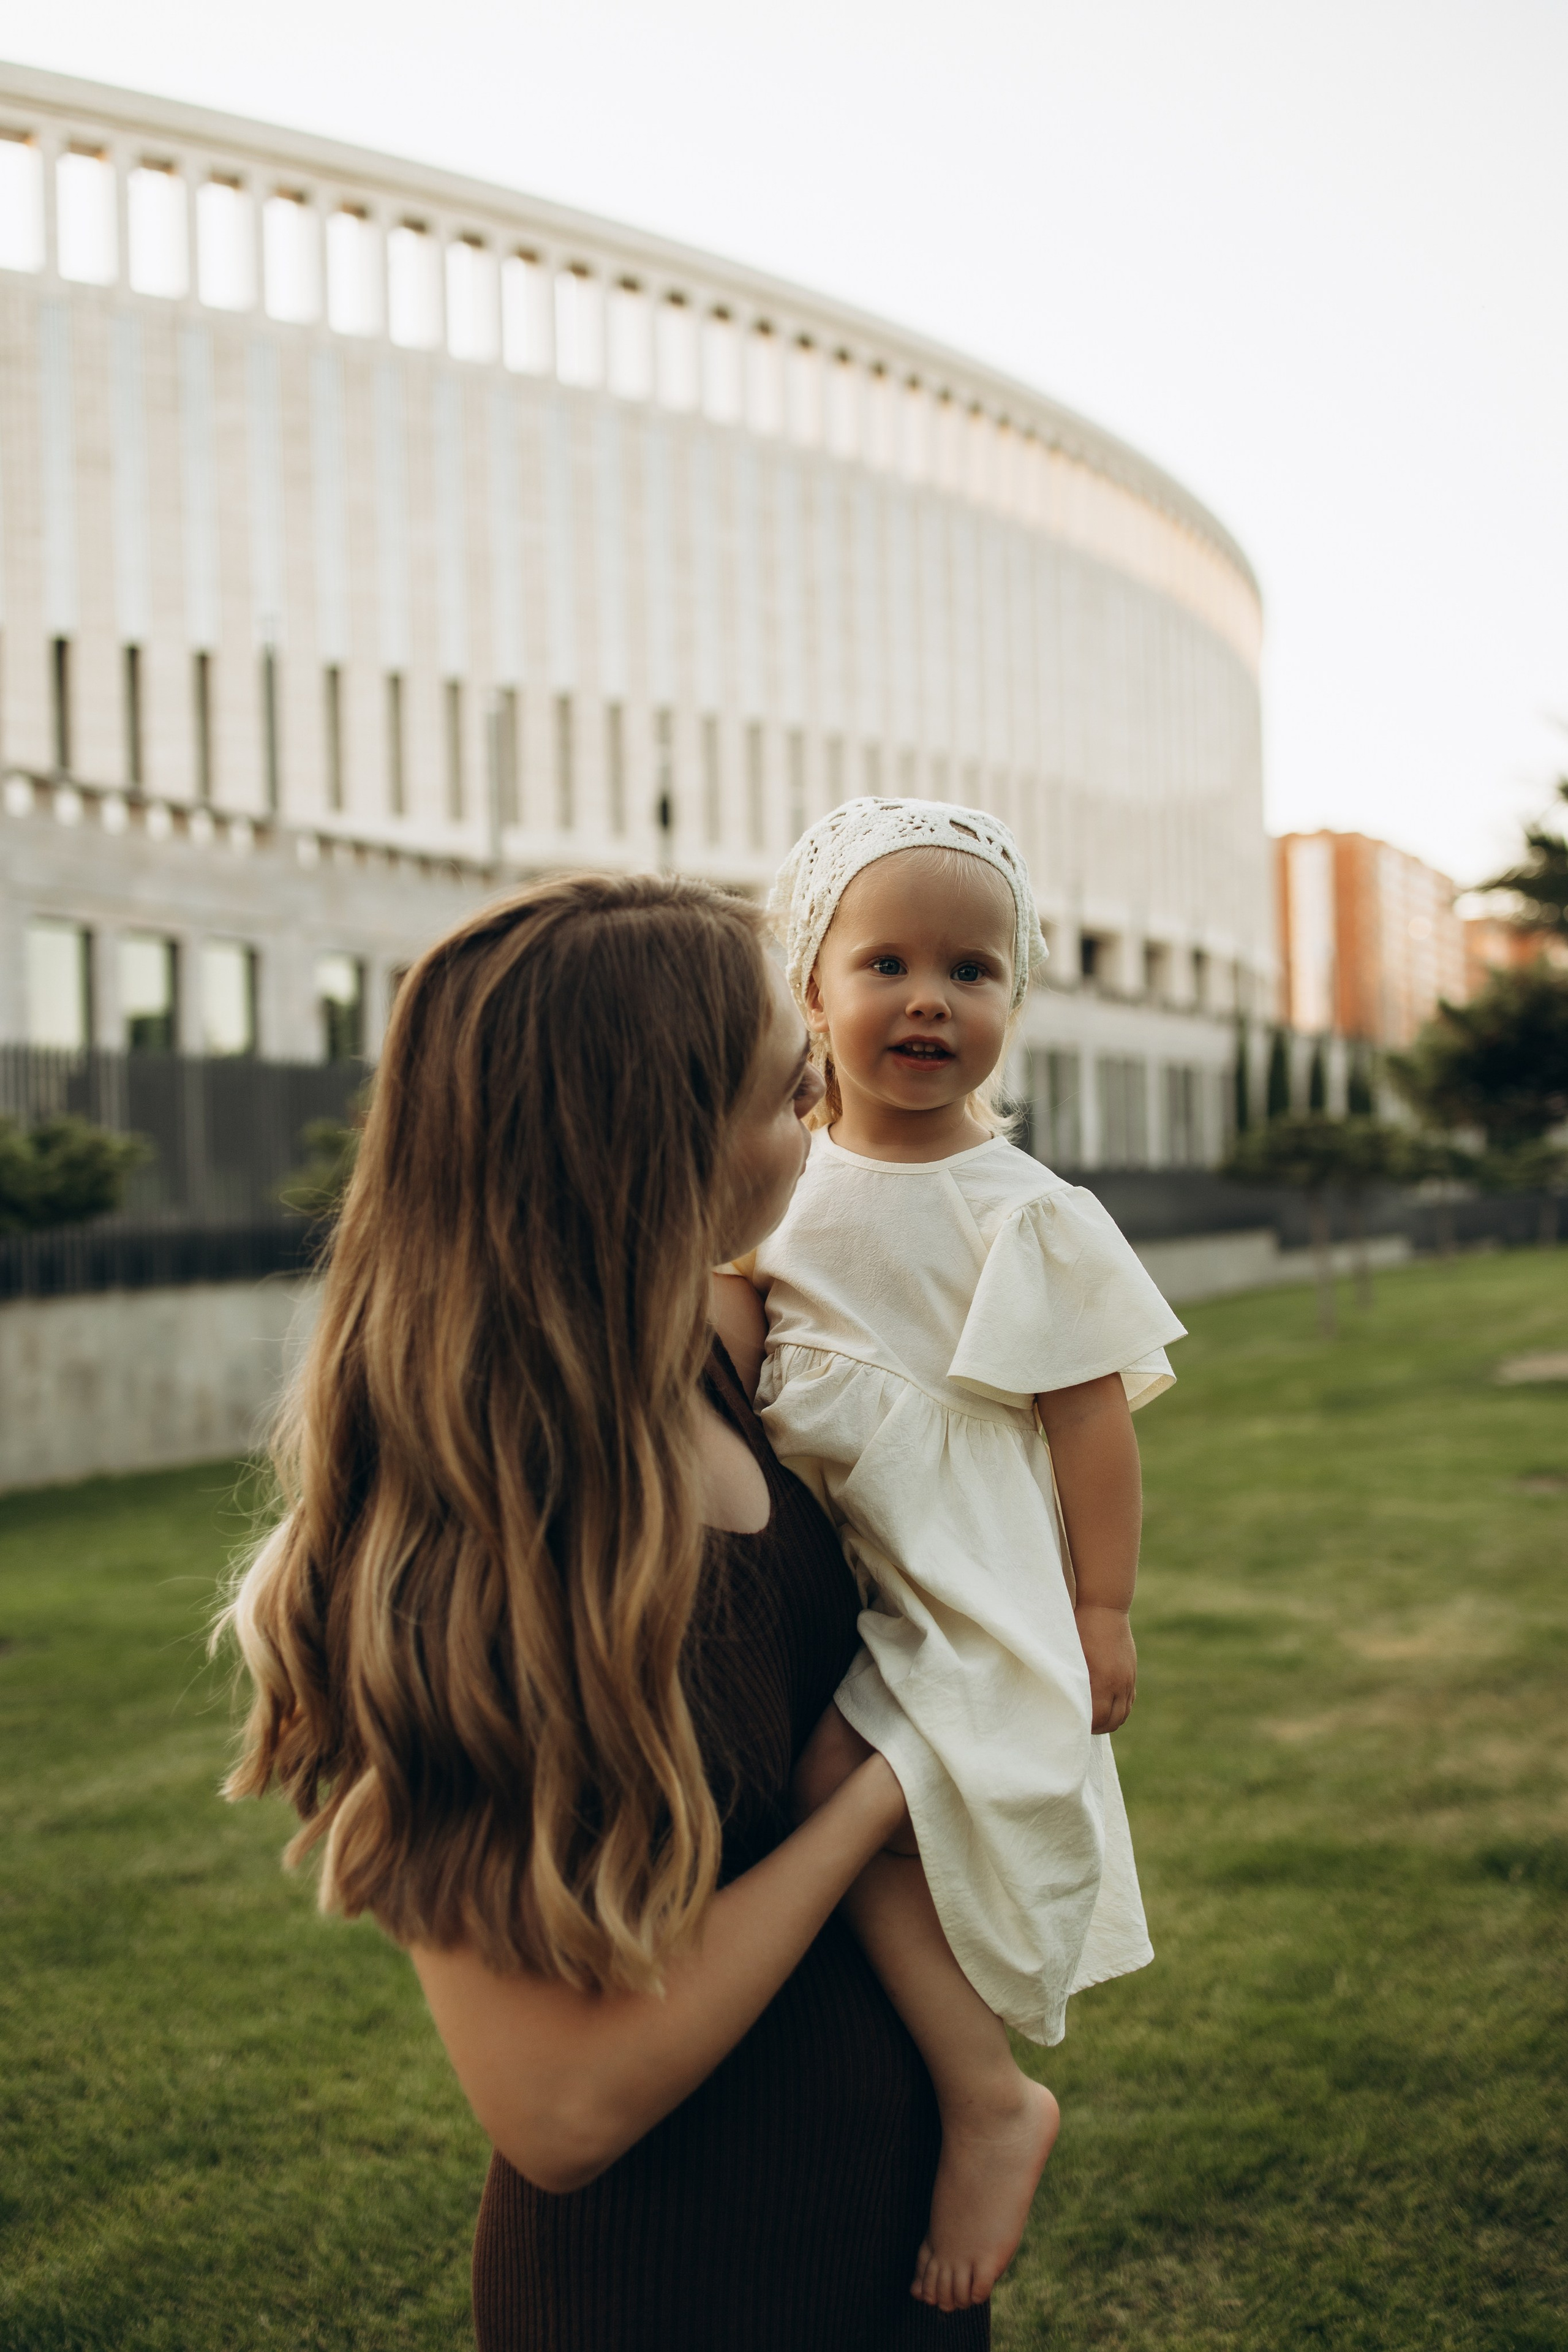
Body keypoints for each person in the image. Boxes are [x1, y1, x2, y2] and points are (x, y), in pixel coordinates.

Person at [217, 872, 993, 2352]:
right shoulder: (463, 1556)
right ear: (658, 1144)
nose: (823, 1120)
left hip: (883, 2231)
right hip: (672, 2286)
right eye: (789, 1092)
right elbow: (559, 2110)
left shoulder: (722, 1344)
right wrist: (877, 1789)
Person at [728, 797, 1188, 2313]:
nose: (930, 998)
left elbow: (1088, 1425)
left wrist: (1099, 1605)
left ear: (1011, 1003)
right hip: (833, 1564)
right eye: (887, 963)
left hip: (962, 1566)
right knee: (854, 1794)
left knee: (845, 1794)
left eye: (973, 971)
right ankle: (960, 2077)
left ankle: (987, 2096)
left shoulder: (1023, 1211)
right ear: (811, 987)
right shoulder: (777, 1183)